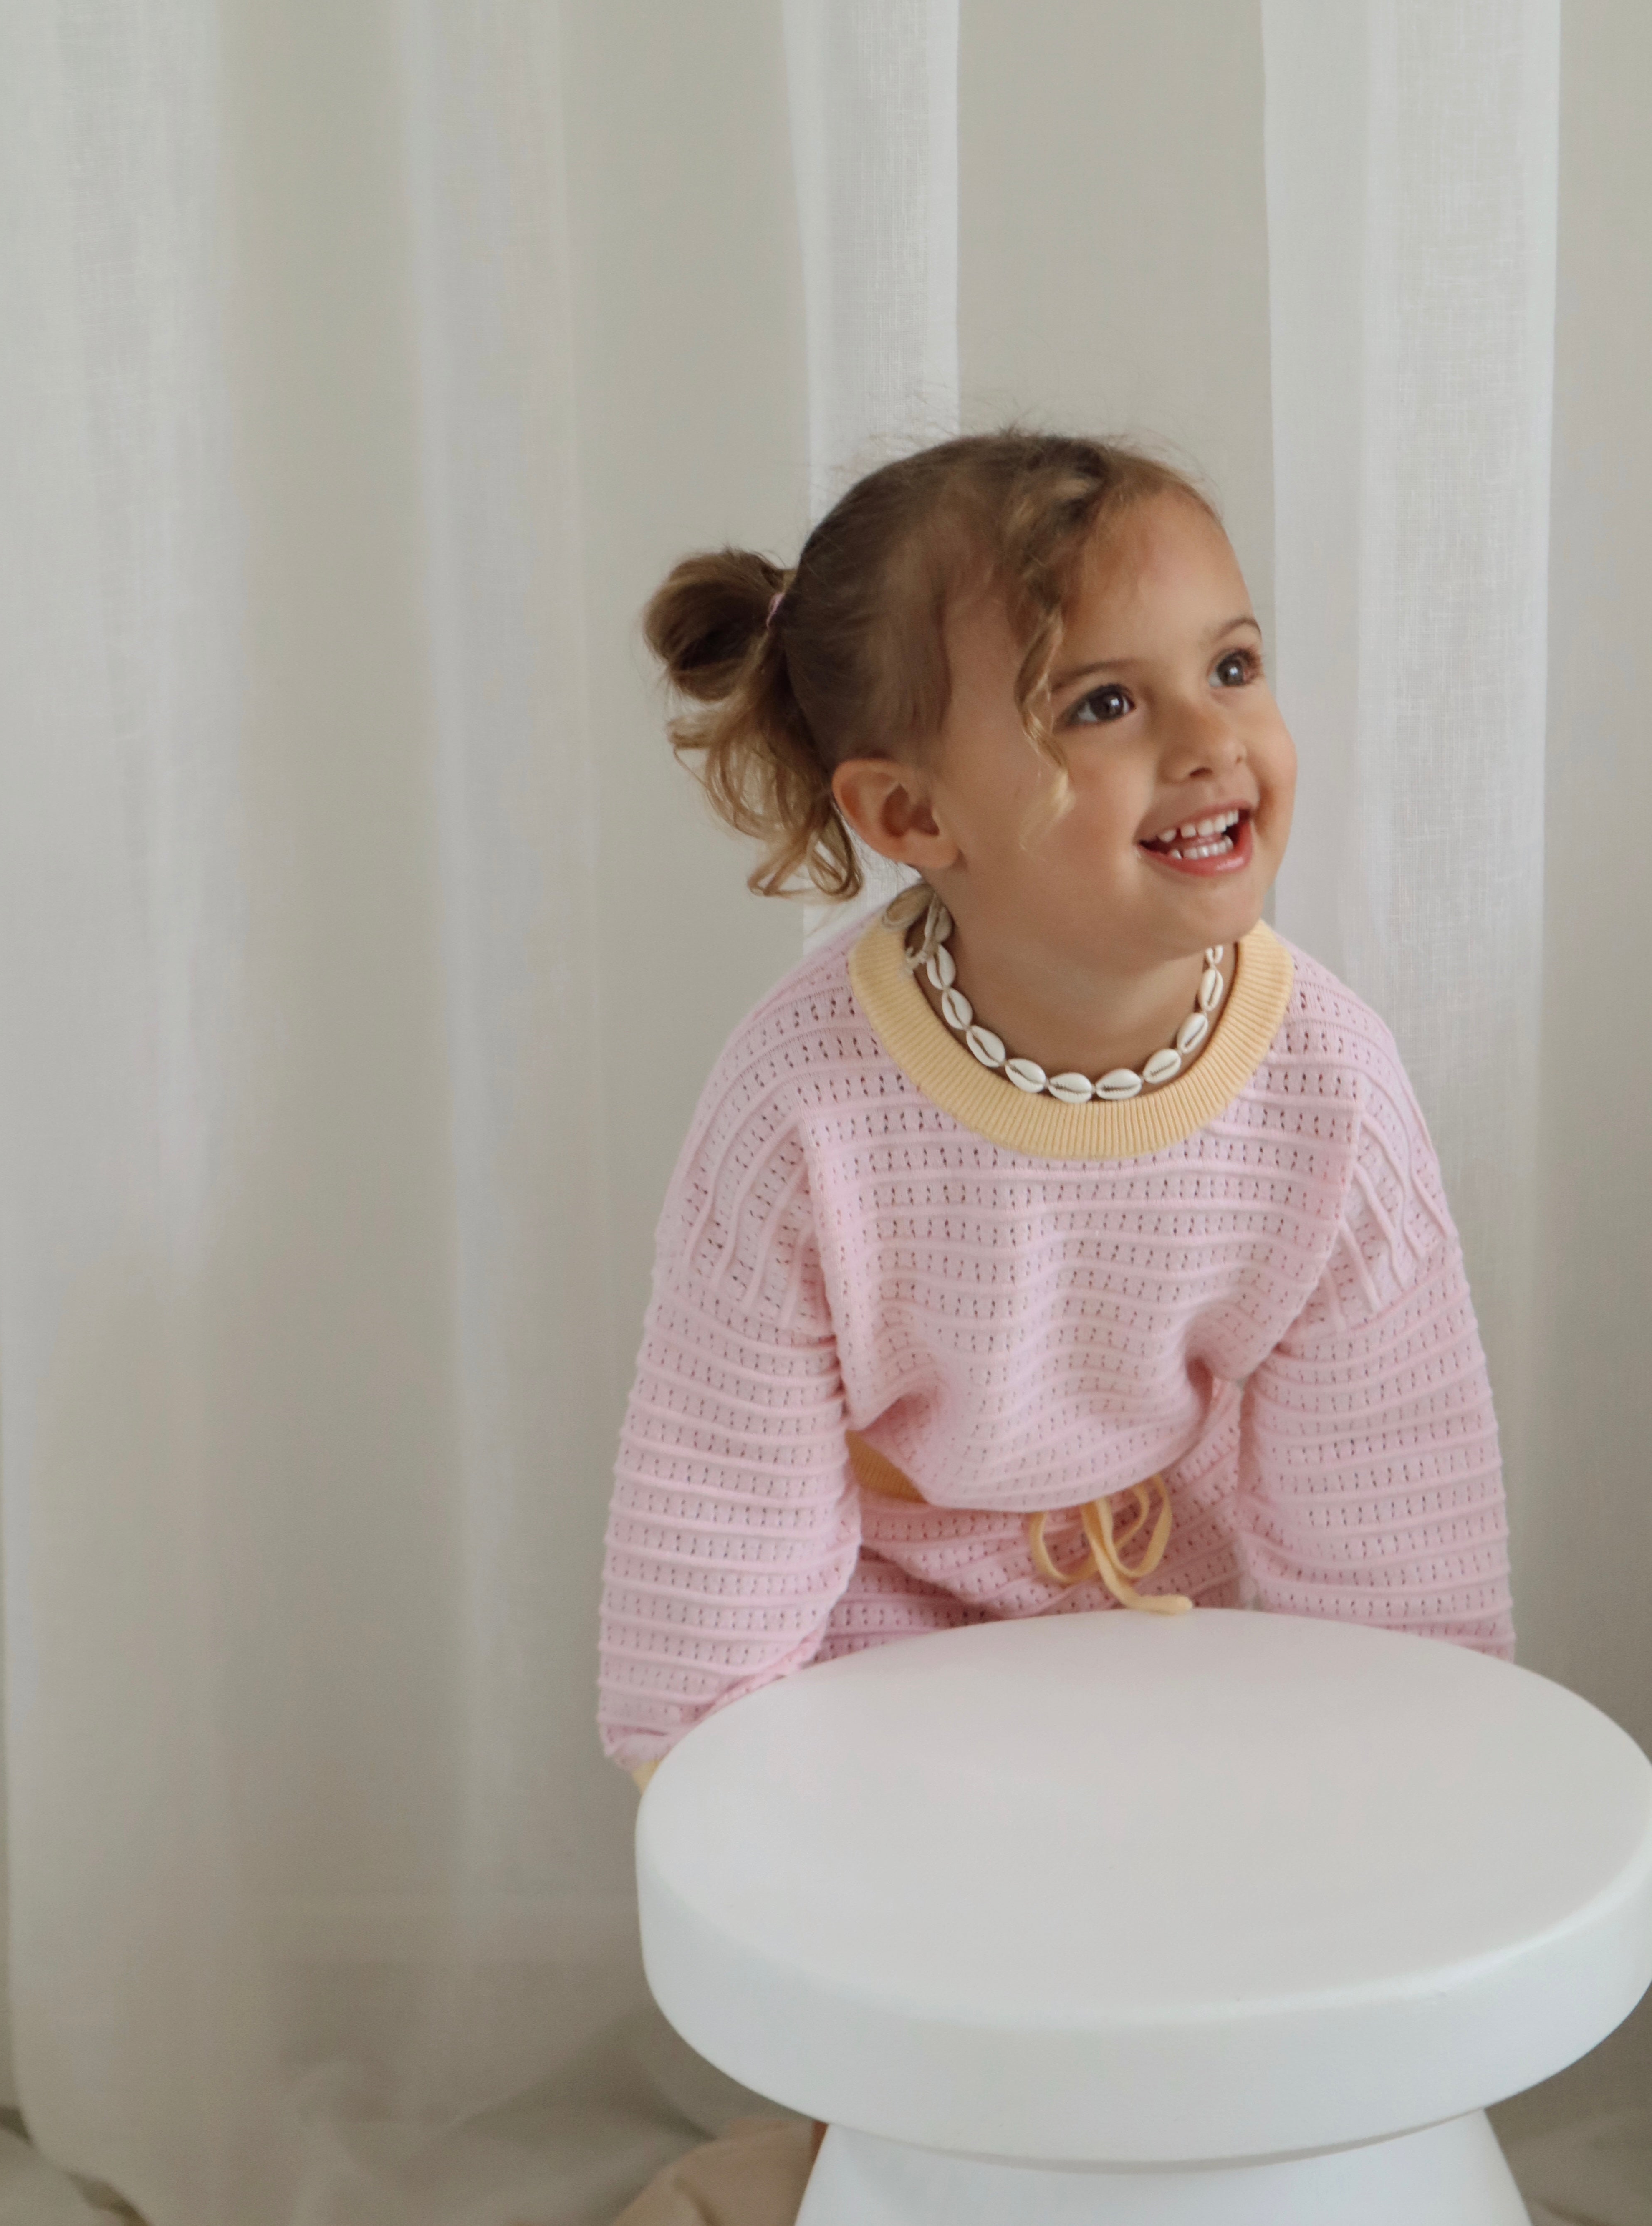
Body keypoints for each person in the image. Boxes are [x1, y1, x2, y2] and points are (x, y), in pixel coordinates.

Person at [596, 430, 1514, 2220]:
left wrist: (1404, 1787)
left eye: (1231, 665)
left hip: (1203, 1649)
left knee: (1218, 2008)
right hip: (891, 1685)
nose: (1206, 740)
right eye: (1101, 702)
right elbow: (719, 1512)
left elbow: (1392, 1505)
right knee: (978, 2047)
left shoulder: (1326, 1078)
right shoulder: (805, 1111)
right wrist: (740, 1808)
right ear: (911, 818)